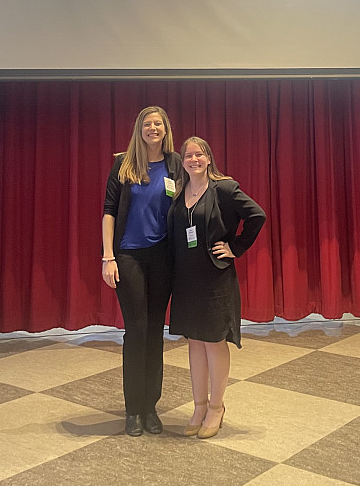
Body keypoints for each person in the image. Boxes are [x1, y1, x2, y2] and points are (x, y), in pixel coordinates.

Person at [168, 136, 266, 439]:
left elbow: (256, 215)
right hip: (185, 278)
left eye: (199, 155)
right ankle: (198, 406)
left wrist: (235, 247)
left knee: (213, 341)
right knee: (194, 341)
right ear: (182, 162)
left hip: (214, 278)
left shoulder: (223, 188)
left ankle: (216, 407)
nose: (193, 160)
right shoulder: (179, 190)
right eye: (188, 156)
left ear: (209, 158)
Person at [102, 107, 182, 436]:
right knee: (136, 330)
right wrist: (108, 257)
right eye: (147, 124)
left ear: (165, 129)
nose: (153, 128)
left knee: (154, 332)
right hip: (128, 255)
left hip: (163, 257)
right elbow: (108, 211)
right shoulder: (123, 164)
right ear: (140, 129)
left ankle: (151, 408)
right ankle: (132, 409)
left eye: (158, 123)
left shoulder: (176, 163)